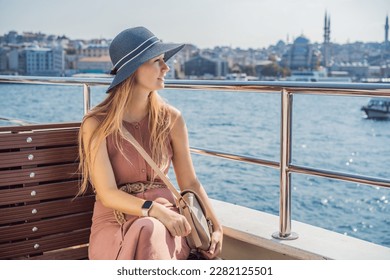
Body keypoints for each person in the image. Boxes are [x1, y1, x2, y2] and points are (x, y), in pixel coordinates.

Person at [78, 26, 223, 260]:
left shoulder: (172, 119)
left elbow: (190, 182)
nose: (166, 67)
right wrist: (153, 211)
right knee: (148, 228)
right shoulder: (96, 124)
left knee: (151, 230)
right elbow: (106, 193)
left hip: (168, 221)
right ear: (133, 70)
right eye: (157, 61)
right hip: (115, 223)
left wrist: (216, 226)